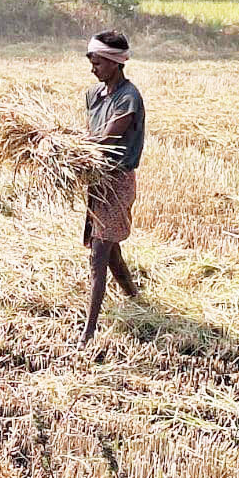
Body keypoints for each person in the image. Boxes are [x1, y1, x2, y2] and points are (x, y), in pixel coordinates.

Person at [80, 30, 146, 344]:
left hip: (117, 183)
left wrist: (70, 145)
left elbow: (108, 137)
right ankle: (136, 298)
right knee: (110, 250)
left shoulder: (129, 97)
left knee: (99, 254)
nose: (93, 68)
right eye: (91, 61)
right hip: (97, 181)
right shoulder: (95, 95)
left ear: (115, 62)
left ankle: (88, 332)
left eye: (98, 62)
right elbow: (91, 135)